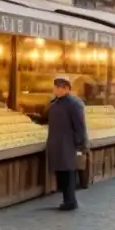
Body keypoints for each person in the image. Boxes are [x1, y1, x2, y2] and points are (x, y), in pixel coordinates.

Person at [42, 76, 87, 211]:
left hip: (68, 143)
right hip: (56, 142)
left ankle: (70, 201)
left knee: (68, 172)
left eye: (57, 87)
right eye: (54, 87)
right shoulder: (54, 102)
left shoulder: (74, 104)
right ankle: (66, 200)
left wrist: (80, 144)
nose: (55, 89)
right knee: (61, 172)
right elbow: (45, 118)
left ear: (66, 88)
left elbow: (80, 125)